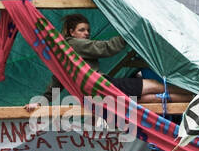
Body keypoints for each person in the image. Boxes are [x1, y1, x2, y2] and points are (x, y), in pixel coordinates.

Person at [59, 14, 190, 101]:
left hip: (94, 93)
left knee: (145, 99)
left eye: (88, 30)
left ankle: (192, 98)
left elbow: (57, 79)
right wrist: (133, 31)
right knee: (154, 85)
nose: (86, 33)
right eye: (81, 30)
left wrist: (43, 101)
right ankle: (193, 92)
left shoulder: (63, 53)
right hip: (102, 86)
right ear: (71, 32)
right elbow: (108, 47)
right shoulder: (74, 44)